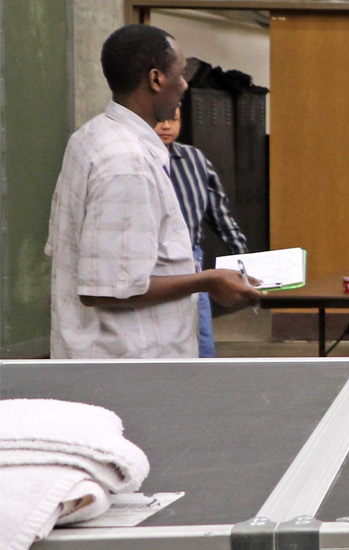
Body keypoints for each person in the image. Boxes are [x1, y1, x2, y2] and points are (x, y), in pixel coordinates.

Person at [46, 24, 260, 359]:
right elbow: (104, 290)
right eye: (182, 73)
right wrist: (206, 281)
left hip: (109, 361)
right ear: (156, 79)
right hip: (129, 367)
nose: (186, 84)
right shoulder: (126, 164)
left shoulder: (91, 136)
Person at [154, 107, 252, 358]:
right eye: (159, 119)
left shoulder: (195, 159)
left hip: (191, 260)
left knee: (202, 341)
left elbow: (220, 214)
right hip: (152, 264)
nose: (166, 126)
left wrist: (244, 258)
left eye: (173, 119)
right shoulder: (136, 159)